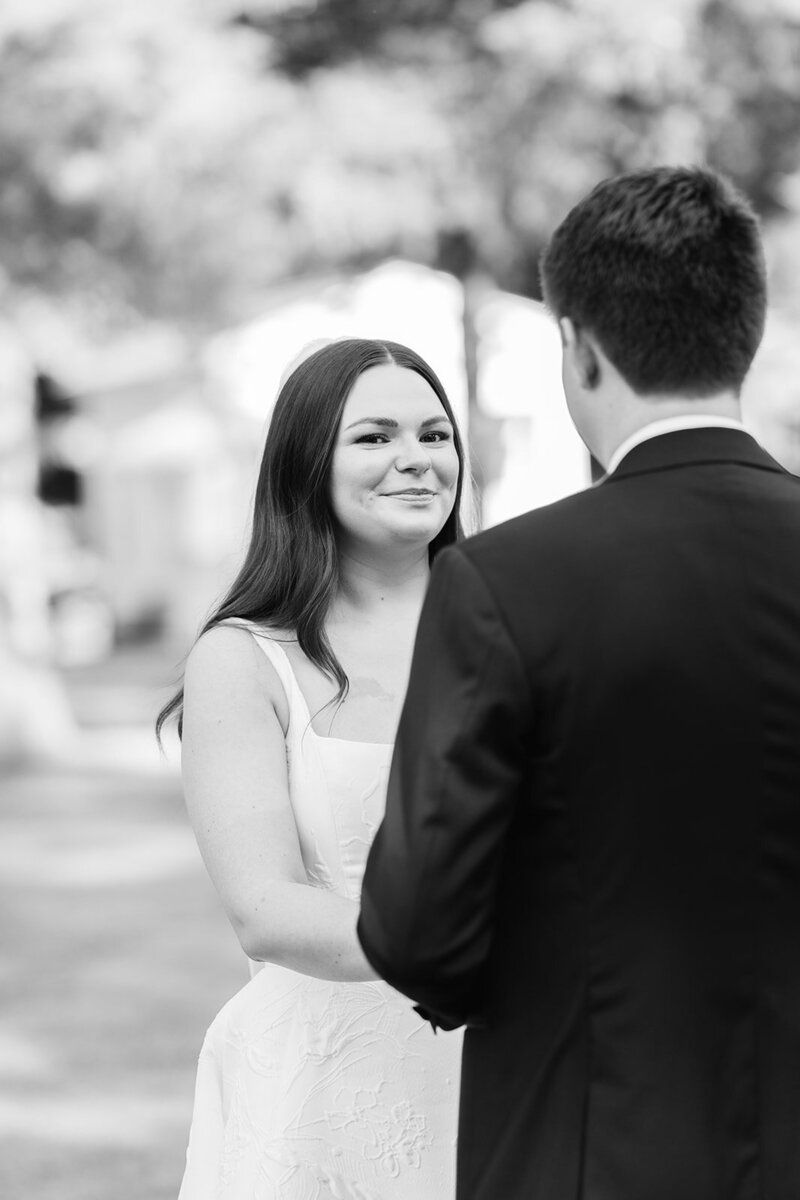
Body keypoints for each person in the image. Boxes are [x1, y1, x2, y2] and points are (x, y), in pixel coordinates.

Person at [357, 165, 800, 1199]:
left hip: (588, 1142)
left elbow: (420, 926)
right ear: (748, 330)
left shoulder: (506, 581)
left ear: (576, 346)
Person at [157, 338, 466, 1199]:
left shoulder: (523, 631)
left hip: (510, 1073)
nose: (414, 459)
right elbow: (264, 909)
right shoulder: (244, 660)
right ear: (307, 463)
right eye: (373, 437)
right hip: (317, 1098)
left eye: (435, 435)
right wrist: (471, 953)